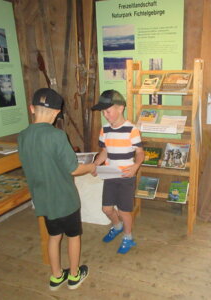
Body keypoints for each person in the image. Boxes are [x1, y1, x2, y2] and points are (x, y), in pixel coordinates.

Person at [18, 88, 95, 291]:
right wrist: (91, 166)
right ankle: (75, 276)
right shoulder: (58, 136)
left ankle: (56, 276)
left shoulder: (22, 137)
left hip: (44, 200)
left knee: (54, 237)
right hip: (65, 200)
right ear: (55, 113)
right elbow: (74, 168)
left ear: (32, 109)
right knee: (73, 236)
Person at [91, 89, 144, 254]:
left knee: (124, 211)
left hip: (126, 176)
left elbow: (140, 152)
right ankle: (117, 226)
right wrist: (96, 163)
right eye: (103, 112)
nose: (105, 115)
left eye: (108, 111)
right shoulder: (105, 129)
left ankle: (128, 237)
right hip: (110, 174)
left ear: (120, 108)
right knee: (106, 209)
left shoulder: (131, 130)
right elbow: (105, 150)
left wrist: (135, 167)